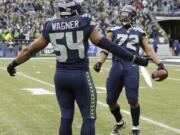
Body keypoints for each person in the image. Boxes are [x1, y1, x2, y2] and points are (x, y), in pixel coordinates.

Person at [7, 1, 149, 135]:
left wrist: (13, 64)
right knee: (88, 117)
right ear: (73, 10)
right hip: (80, 76)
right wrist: (134, 58)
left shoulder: (51, 25)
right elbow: (109, 46)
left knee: (66, 117)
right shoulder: (83, 23)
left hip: (61, 77)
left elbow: (29, 50)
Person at [93, 5, 168, 135]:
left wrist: (160, 64)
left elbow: (149, 50)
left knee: (133, 99)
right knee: (110, 100)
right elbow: (106, 49)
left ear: (133, 17)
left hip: (131, 67)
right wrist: (99, 62)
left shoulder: (139, 31)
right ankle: (120, 121)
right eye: (123, 15)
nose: (124, 17)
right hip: (116, 66)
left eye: (127, 15)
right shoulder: (113, 30)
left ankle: (135, 128)